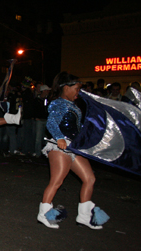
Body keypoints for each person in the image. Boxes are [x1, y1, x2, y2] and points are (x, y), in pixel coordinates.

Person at [37, 71, 109, 230]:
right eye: (76, 88)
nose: (78, 92)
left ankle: (84, 216)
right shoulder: (58, 103)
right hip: (59, 146)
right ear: (66, 88)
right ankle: (44, 214)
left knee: (89, 179)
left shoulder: (73, 105)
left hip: (74, 147)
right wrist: (59, 138)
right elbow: (51, 123)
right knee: (56, 181)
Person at [33, 84, 51, 157]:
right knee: (38, 138)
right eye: (47, 90)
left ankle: (46, 153)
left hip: (46, 120)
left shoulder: (48, 100)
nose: (48, 92)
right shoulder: (37, 100)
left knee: (46, 138)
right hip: (40, 120)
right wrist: (35, 117)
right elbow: (34, 109)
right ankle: (37, 153)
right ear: (43, 91)